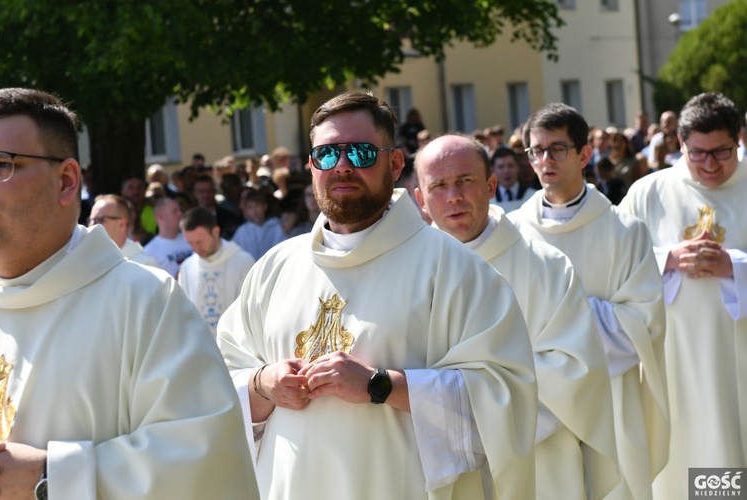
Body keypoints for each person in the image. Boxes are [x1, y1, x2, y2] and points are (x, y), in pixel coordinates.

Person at [217, 91, 538, 500]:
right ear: (312, 166)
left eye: (363, 153)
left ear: (395, 163)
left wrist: (379, 386)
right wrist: (262, 385)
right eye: (328, 155)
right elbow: (216, 385)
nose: (344, 166)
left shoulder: (453, 268)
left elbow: (505, 397)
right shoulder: (274, 269)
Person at [0, 87, 257, 498]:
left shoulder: (147, 303)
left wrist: (53, 478)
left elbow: (206, 464)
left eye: (1, 165)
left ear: (66, 182)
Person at [414, 134, 618, 499]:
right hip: (438, 465)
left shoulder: (547, 267)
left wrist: (475, 415)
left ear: (491, 185)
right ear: (421, 201)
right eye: (439, 186)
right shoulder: (407, 274)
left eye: (465, 181)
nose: (454, 197)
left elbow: (575, 371)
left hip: (540, 461)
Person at [509, 102, 669, 500]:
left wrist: (563, 317)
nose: (545, 160)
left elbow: (643, 325)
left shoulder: (624, 232)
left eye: (557, 149)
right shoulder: (513, 234)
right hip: (540, 402)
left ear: (584, 154)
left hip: (610, 397)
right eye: (536, 150)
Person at [619, 92, 747, 500]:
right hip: (673, 358)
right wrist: (667, 259)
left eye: (722, 152)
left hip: (739, 357)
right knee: (686, 465)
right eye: (698, 154)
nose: (710, 165)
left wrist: (736, 268)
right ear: (679, 144)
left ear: (739, 138)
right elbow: (614, 265)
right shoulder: (648, 192)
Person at [179, 207, 255, 333]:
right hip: (200, 345)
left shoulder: (243, 261)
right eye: (190, 243)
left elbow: (251, 310)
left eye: (200, 241)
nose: (196, 248)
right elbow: (184, 311)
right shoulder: (187, 267)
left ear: (215, 232)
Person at [88, 194, 159, 268]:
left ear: (122, 224)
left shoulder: (145, 265)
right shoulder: (88, 259)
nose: (92, 225)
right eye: (90, 220)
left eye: (100, 219)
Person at [143, 196, 192, 277]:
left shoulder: (191, 239)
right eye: (175, 211)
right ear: (161, 216)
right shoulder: (149, 252)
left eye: (180, 210)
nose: (180, 214)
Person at [232, 189, 286, 260]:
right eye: (250, 208)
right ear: (246, 211)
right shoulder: (242, 231)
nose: (255, 210)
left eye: (257, 206)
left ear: (265, 206)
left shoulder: (277, 226)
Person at [490, 147, 536, 213]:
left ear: (518, 167)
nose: (506, 171)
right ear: (493, 170)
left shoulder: (533, 196)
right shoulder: (488, 200)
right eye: (501, 167)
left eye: (510, 166)